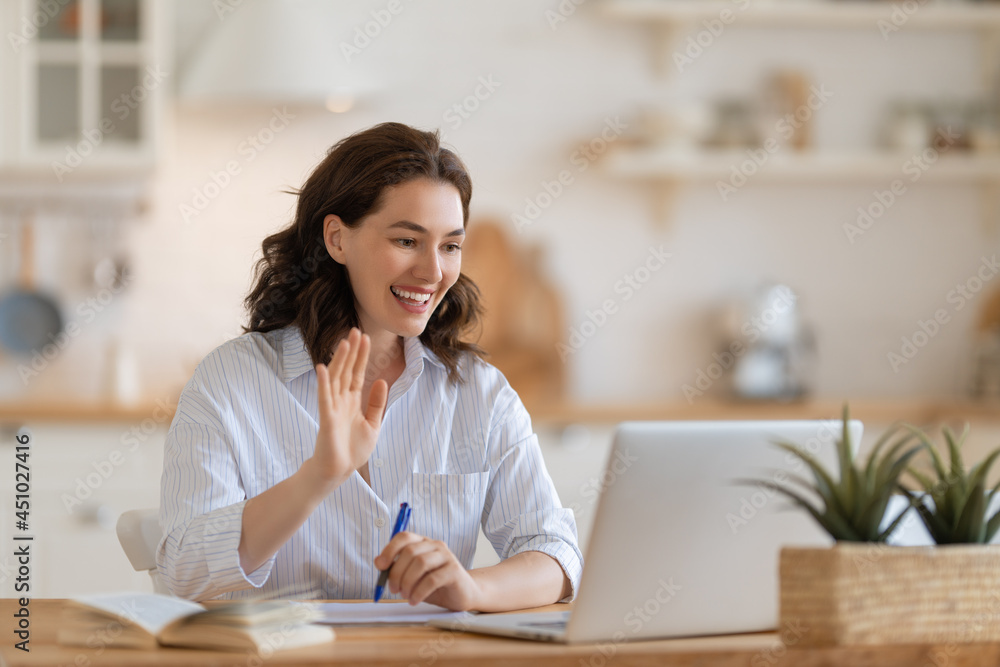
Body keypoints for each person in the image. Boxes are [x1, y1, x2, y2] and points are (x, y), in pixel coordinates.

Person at [157, 122, 582, 611]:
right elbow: (185, 571)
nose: (433, 271)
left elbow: (556, 553)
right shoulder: (230, 383)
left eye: (450, 246)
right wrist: (318, 476)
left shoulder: (477, 392)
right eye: (406, 241)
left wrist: (472, 588)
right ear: (337, 239)